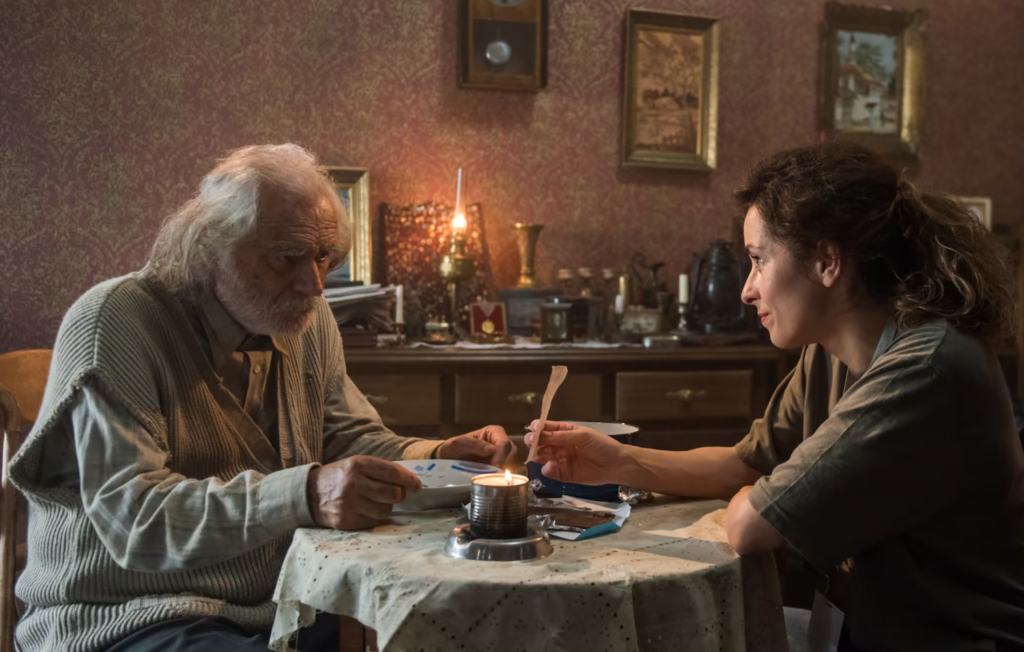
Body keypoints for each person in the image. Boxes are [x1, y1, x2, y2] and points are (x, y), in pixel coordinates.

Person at [9, 144, 512, 652]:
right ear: (212, 248)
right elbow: (134, 521)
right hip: (125, 616)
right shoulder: (117, 321)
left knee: (446, 628)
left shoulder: (305, 320)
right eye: (286, 258)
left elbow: (348, 439)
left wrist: (439, 454)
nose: (314, 285)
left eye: (322, 257)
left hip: (281, 603)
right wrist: (306, 494)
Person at [527, 142, 1024, 650]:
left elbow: (750, 527)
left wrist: (762, 500)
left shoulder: (922, 370)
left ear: (827, 261)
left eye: (759, 260)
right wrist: (619, 462)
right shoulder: (830, 349)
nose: (747, 290)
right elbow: (748, 465)